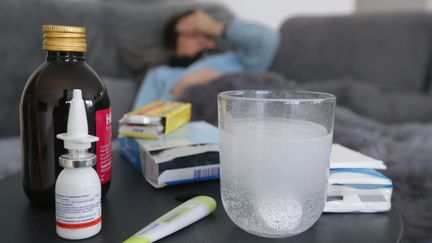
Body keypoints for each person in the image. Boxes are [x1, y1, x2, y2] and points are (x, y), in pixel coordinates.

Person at [133, 9, 279, 108]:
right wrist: (178, 90)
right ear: (172, 47)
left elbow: (268, 39)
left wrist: (217, 28)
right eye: (192, 35)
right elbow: (134, 128)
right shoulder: (159, 75)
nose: (202, 40)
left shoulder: (236, 60)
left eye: (207, 35)